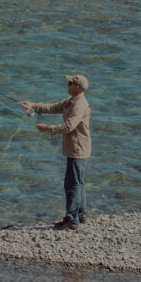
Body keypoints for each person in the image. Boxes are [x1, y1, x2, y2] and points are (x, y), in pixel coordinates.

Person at [19, 75, 91, 230]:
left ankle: (71, 219)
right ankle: (81, 214)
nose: (67, 84)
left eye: (70, 83)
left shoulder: (79, 104)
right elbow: (53, 107)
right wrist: (32, 105)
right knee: (79, 182)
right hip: (77, 148)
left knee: (72, 184)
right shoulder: (72, 100)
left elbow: (69, 126)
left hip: (77, 149)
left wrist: (47, 129)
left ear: (77, 87)